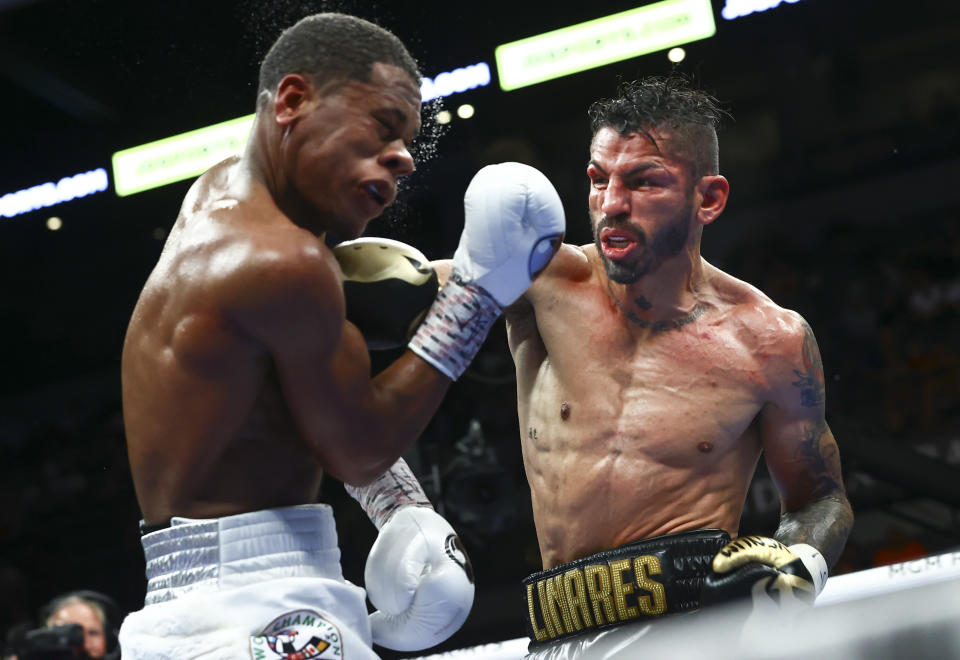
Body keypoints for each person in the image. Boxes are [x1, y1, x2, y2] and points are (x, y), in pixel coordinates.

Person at [117, 12, 564, 660]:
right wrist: (475, 297)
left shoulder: (222, 197)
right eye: (384, 128)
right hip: (259, 606)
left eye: (408, 143)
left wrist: (397, 508)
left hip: (193, 602)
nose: (405, 158)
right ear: (294, 101)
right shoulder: (284, 262)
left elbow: (301, 395)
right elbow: (359, 448)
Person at [503, 76, 854, 658]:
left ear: (708, 199)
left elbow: (820, 498)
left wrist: (795, 572)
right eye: (598, 180)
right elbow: (390, 291)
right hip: (555, 636)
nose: (611, 204)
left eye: (643, 182)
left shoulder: (769, 341)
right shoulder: (541, 284)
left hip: (692, 634)